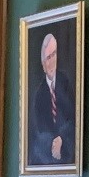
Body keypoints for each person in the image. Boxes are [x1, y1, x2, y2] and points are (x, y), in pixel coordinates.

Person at [28, 32, 75, 166]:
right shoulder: (39, 95)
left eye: (54, 54)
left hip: (67, 145)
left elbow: (74, 119)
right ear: (43, 64)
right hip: (48, 153)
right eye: (48, 57)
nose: (52, 61)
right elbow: (40, 131)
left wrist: (62, 138)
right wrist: (54, 143)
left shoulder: (66, 82)